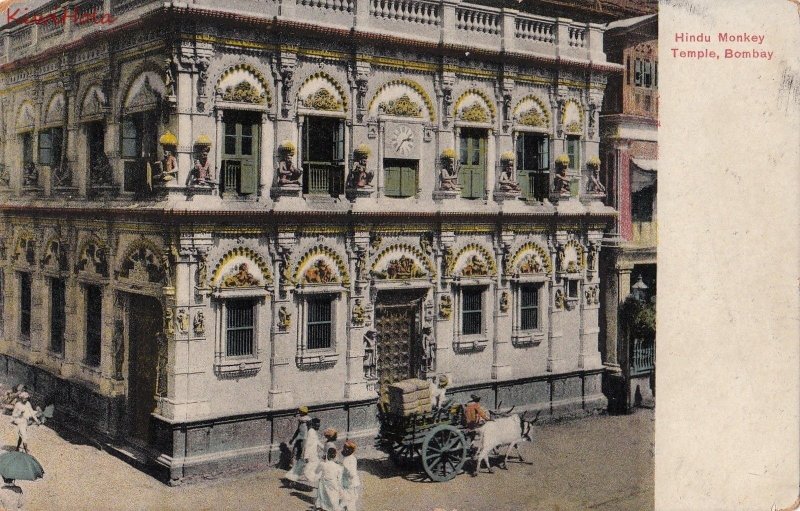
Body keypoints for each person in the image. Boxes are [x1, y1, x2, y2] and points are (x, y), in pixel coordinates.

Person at [285, 406, 311, 483]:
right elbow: (298, 430)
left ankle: (302, 471)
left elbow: (310, 431)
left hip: (305, 439)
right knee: (295, 453)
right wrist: (293, 438)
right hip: (299, 438)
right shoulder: (300, 419)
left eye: (300, 411)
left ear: (303, 412)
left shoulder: (308, 420)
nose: (299, 413)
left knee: (302, 455)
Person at [315, 447, 343, 511]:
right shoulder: (338, 467)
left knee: (323, 497)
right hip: (333, 484)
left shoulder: (322, 464)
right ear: (335, 456)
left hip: (323, 484)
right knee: (333, 499)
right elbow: (340, 479)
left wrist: (322, 460)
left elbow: (316, 471)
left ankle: (323, 507)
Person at [340, 440, 362, 511]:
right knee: (350, 501)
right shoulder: (352, 458)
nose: (343, 450)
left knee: (348, 502)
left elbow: (351, 473)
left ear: (348, 450)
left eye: (344, 448)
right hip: (353, 483)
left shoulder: (346, 460)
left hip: (349, 484)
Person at [302, 418, 323, 486]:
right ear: (313, 425)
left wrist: (324, 448)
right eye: (317, 426)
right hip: (311, 454)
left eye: (319, 425)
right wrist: (306, 456)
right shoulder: (311, 432)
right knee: (311, 469)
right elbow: (307, 445)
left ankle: (315, 481)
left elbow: (317, 442)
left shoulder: (313, 431)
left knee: (314, 468)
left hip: (314, 453)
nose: (318, 427)